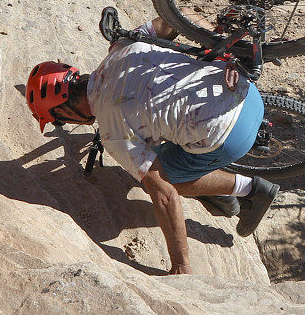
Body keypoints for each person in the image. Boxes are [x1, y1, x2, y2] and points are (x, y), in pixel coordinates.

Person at [25, 16, 279, 275]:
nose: (66, 124)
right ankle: (213, 185)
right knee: (163, 138)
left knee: (164, 177)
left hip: (233, 135)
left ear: (65, 108)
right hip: (247, 90)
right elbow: (177, 19)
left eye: (60, 120)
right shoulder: (123, 45)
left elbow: (165, 194)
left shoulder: (114, 134)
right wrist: (219, 39)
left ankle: (250, 190)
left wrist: (181, 266)